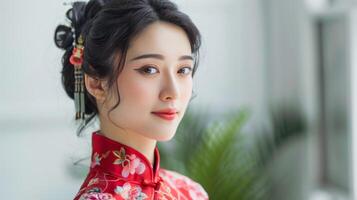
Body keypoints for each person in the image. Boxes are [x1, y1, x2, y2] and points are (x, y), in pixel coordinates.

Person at [54, 0, 208, 199]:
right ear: (96, 84)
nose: (173, 91)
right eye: (149, 70)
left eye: (183, 70)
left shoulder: (190, 192)